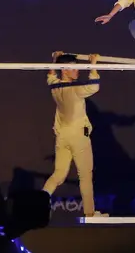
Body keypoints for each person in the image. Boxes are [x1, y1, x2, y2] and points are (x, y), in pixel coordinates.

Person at [44, 51, 107, 217]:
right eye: (74, 68)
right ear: (64, 70)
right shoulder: (76, 89)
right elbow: (94, 86)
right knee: (85, 175)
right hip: (78, 137)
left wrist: (54, 59)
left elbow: (50, 75)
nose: (77, 71)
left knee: (58, 174)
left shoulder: (55, 87)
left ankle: (39, 202)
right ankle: (90, 213)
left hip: (62, 136)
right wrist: (92, 64)